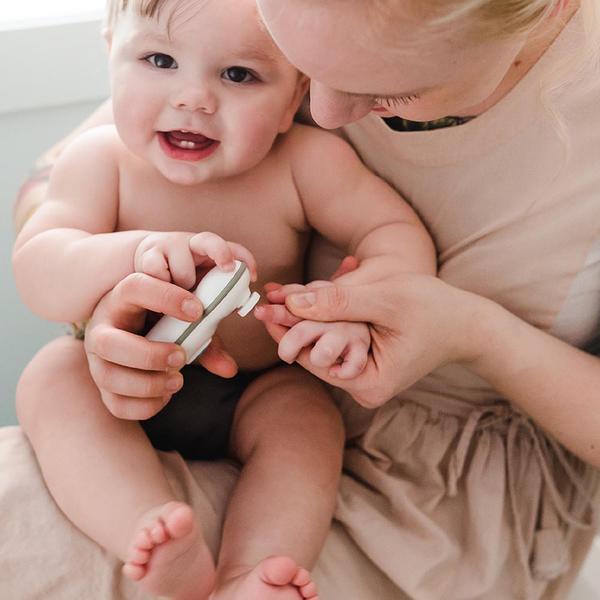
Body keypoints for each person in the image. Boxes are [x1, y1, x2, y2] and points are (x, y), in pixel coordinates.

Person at [12, 0, 600, 599]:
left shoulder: (304, 160)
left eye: (239, 75)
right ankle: (146, 527)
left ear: (289, 95)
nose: (194, 98)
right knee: (53, 377)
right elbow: (38, 264)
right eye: (160, 60)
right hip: (120, 385)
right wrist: (121, 269)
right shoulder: (103, 156)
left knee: (303, 424)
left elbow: (390, 232)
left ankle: (257, 571)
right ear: (108, 45)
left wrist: (369, 307)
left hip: (262, 386)